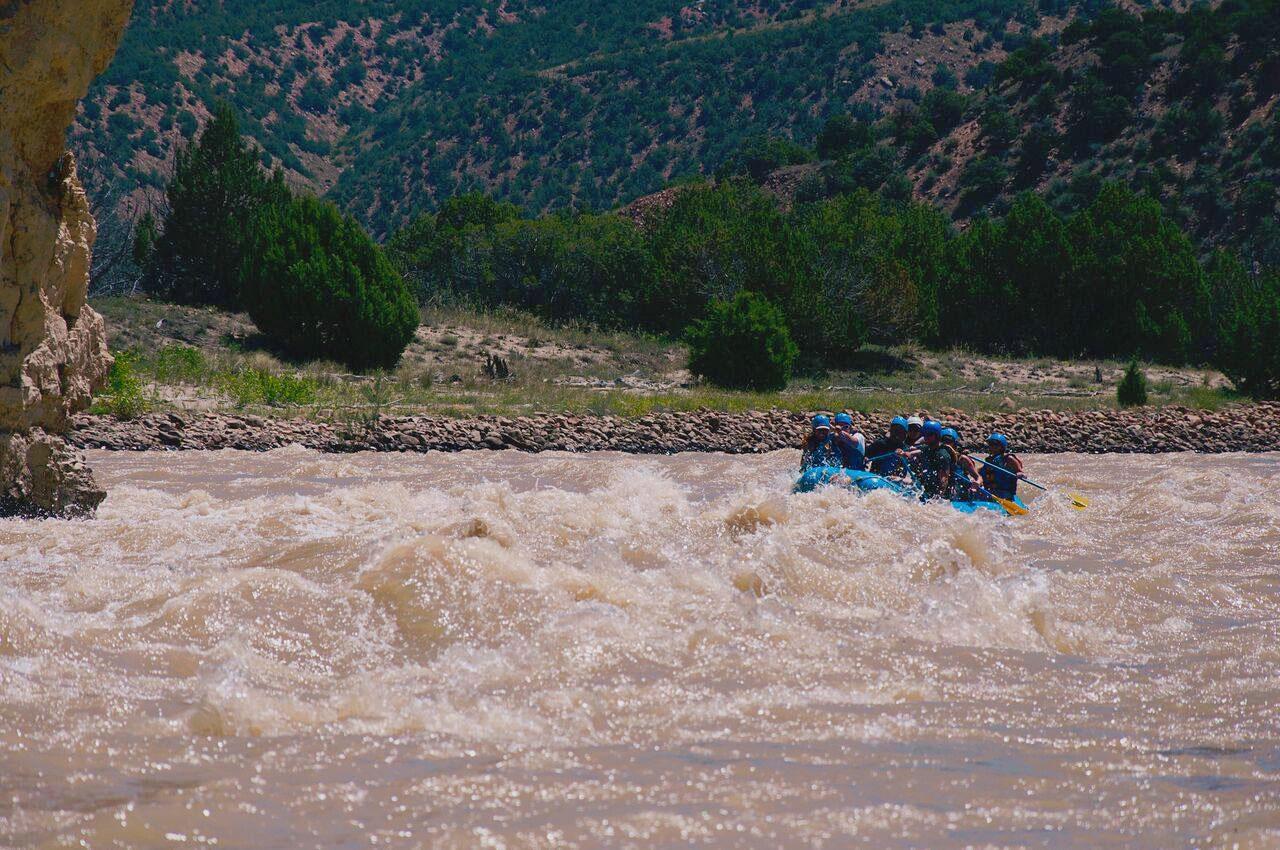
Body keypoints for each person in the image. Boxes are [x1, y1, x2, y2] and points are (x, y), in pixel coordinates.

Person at [900, 421, 957, 501]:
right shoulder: (927, 448)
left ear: (936, 436)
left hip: (938, 493)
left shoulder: (943, 455)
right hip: (926, 486)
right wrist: (902, 453)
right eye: (925, 434)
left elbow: (944, 480)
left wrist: (937, 500)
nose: (926, 437)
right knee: (897, 481)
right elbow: (911, 454)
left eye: (929, 435)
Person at [940, 427, 982, 499]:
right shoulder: (938, 456)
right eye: (944, 440)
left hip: (961, 491)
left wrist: (977, 483)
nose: (946, 444)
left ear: (955, 443)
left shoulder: (962, 459)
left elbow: (978, 477)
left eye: (949, 441)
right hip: (946, 490)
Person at [980, 433, 1024, 500]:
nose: (990, 447)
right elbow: (981, 472)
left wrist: (1019, 474)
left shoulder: (1008, 459)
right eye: (990, 444)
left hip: (1005, 493)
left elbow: (1020, 471)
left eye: (993, 444)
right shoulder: (989, 460)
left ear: (1001, 447)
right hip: (991, 491)